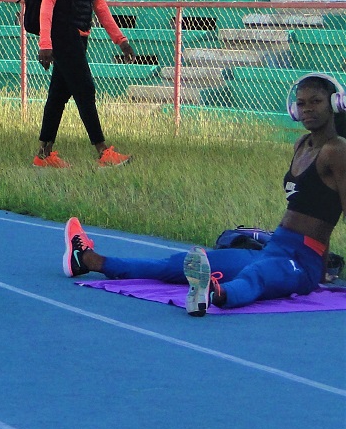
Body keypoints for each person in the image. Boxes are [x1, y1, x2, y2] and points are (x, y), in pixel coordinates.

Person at [63, 73, 346, 315]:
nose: (307, 109)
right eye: (301, 103)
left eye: (316, 102)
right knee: (178, 265)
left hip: (303, 262)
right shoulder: (301, 143)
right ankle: (88, 260)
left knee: (255, 276)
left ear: (335, 104)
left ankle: (213, 295)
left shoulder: (337, 151)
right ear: (293, 109)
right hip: (274, 248)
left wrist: (321, 267)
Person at [33, 0, 135, 168]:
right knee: (85, 88)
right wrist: (45, 43)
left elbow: (99, 4)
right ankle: (103, 153)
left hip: (80, 35)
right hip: (63, 34)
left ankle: (43, 155)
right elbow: (48, 2)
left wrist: (120, 39)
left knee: (58, 94)